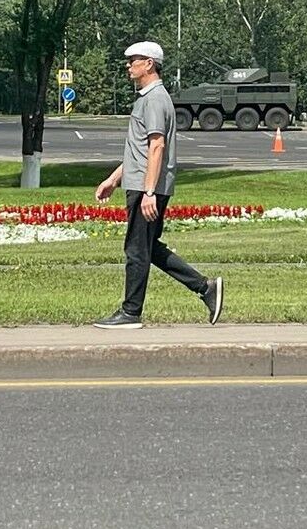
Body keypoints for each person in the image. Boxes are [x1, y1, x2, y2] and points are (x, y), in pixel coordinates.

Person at [92, 41, 223, 329]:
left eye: (134, 60)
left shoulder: (154, 99)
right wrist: (114, 179)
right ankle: (205, 288)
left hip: (146, 188)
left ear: (149, 64)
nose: (129, 65)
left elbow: (157, 146)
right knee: (148, 248)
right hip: (142, 184)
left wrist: (149, 192)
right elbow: (139, 151)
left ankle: (131, 312)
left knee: (137, 250)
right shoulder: (149, 98)